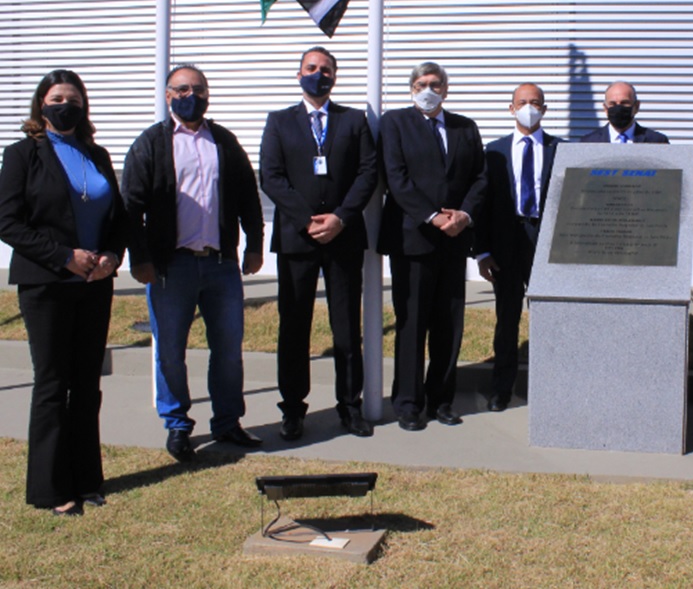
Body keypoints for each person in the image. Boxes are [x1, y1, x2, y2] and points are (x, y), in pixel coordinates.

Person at [122, 64, 265, 462]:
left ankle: (227, 423)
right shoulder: (151, 143)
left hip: (220, 265)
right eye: (182, 89)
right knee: (170, 350)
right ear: (168, 96)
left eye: (198, 89)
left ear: (208, 94)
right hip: (171, 268)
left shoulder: (223, 140)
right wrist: (140, 258)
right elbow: (130, 206)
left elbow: (247, 197)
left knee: (228, 349)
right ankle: (178, 426)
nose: (191, 96)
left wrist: (255, 245)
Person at [0, 70, 126, 516]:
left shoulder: (97, 153)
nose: (64, 105)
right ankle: (51, 490)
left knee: (87, 384)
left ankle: (88, 478)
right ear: (42, 106)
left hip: (94, 285)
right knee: (53, 384)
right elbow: (9, 222)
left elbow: (118, 218)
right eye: (56, 98)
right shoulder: (22, 155)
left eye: (72, 99)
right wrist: (62, 256)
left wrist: (112, 254)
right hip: (47, 284)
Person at [259, 47, 378, 441]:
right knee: (294, 328)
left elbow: (367, 172)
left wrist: (341, 217)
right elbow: (271, 177)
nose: (319, 74)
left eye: (326, 69)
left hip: (343, 238)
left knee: (346, 329)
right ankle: (293, 409)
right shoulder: (279, 121)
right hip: (298, 239)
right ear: (299, 75)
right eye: (311, 68)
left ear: (335, 77)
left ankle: (350, 406)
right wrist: (307, 219)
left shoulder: (354, 120)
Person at [378, 61, 487, 431]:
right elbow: (395, 176)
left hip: (454, 242)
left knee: (448, 324)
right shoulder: (395, 123)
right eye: (422, 83)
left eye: (436, 83)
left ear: (446, 89)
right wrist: (432, 216)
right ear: (412, 88)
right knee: (412, 324)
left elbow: (479, 177)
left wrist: (464, 215)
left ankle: (442, 399)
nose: (429, 89)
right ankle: (409, 404)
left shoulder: (464, 127)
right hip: (413, 239)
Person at [475, 83, 560, 412]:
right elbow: (483, 204)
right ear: (511, 108)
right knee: (506, 319)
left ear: (545, 108)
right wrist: (482, 251)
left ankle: (548, 386)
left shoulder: (559, 149)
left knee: (549, 317)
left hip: (545, 242)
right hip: (505, 243)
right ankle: (501, 389)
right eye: (523, 102)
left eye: (536, 102)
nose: (529, 107)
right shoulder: (494, 151)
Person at [580, 81, 669, 144]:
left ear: (636, 106)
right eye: (613, 104)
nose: (618, 108)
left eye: (624, 103)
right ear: (605, 108)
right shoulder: (588, 142)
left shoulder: (657, 141)